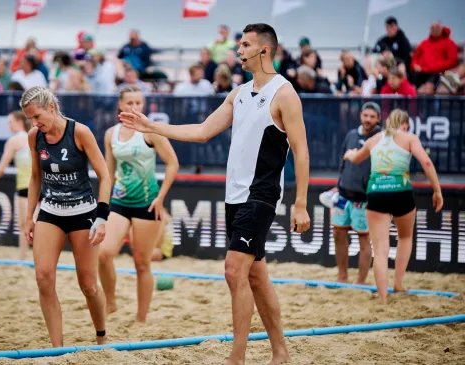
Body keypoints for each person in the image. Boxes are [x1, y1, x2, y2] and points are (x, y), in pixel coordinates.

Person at [119, 23, 311, 365]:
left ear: (264, 50)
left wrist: (300, 204)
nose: (238, 50)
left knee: (233, 271)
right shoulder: (238, 94)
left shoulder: (285, 94)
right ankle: (281, 352)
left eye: (245, 45)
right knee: (255, 275)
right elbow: (202, 131)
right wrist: (151, 126)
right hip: (234, 196)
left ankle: (236, 358)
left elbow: (302, 150)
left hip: (261, 194)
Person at [20, 86, 112, 347]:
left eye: (37, 116)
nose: (35, 123)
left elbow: (105, 176)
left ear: (51, 107)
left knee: (88, 285)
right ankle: (57, 348)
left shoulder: (79, 132)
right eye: (30, 119)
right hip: (50, 212)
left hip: (83, 212)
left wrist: (102, 217)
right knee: (43, 277)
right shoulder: (34, 137)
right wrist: (30, 216)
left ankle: (101, 336)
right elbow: (36, 176)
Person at [343, 109, 443, 305]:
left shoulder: (374, 140)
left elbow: (356, 158)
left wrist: (349, 154)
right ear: (405, 125)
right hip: (401, 192)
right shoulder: (408, 138)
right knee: (405, 237)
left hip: (377, 192)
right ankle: (397, 283)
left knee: (380, 250)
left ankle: (382, 297)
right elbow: (426, 162)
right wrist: (437, 190)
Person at [98, 85, 178, 322]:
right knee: (103, 254)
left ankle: (141, 319)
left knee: (142, 263)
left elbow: (173, 163)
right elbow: (108, 174)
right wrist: (103, 205)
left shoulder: (150, 132)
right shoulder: (110, 134)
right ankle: (110, 302)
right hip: (120, 202)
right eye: (130, 103)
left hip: (147, 202)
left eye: (139, 103)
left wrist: (161, 197)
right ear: (120, 106)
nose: (135, 107)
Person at [330, 102, 380, 284]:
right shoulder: (351, 134)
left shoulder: (380, 137)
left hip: (364, 198)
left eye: (372, 116)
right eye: (365, 115)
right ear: (360, 115)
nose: (368, 119)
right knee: (338, 233)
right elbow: (343, 161)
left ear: (378, 119)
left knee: (364, 238)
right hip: (344, 194)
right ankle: (342, 276)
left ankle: (361, 281)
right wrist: (338, 184)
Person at [0, 111, 37, 260]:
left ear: (18, 122)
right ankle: (39, 258)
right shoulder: (34, 137)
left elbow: (2, 168)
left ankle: (22, 257)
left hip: (25, 188)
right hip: (41, 187)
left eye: (10, 122)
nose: (8, 125)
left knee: (24, 226)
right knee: (39, 226)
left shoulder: (14, 141)